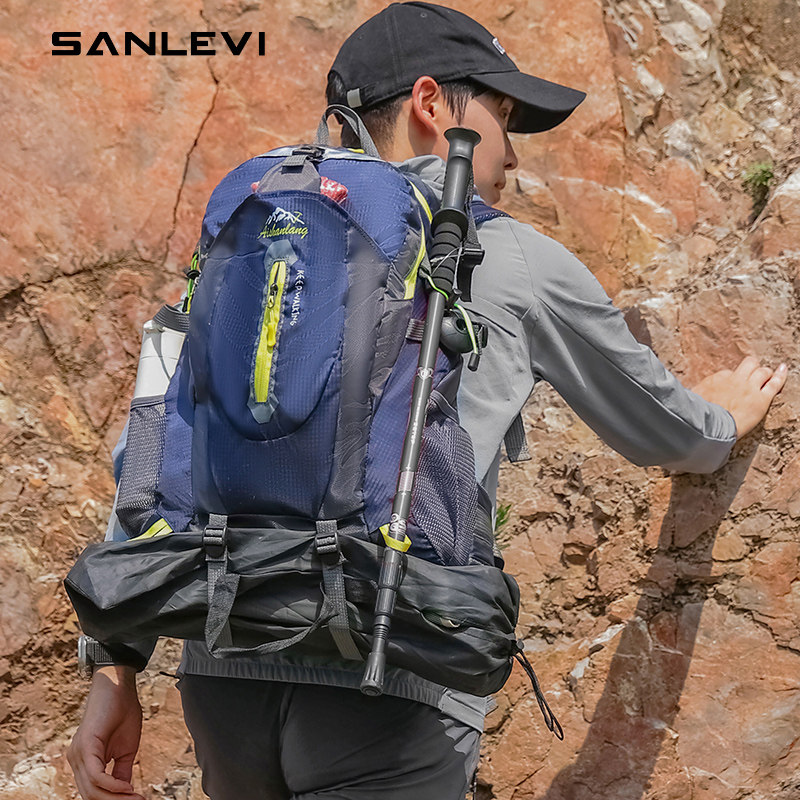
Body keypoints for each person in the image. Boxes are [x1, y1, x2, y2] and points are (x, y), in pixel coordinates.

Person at [67, 4, 788, 800]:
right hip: (393, 672)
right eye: (503, 115)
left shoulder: (262, 238)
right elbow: (668, 434)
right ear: (431, 104)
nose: (514, 153)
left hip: (222, 671)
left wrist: (114, 667)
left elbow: (157, 441)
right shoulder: (506, 253)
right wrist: (722, 417)